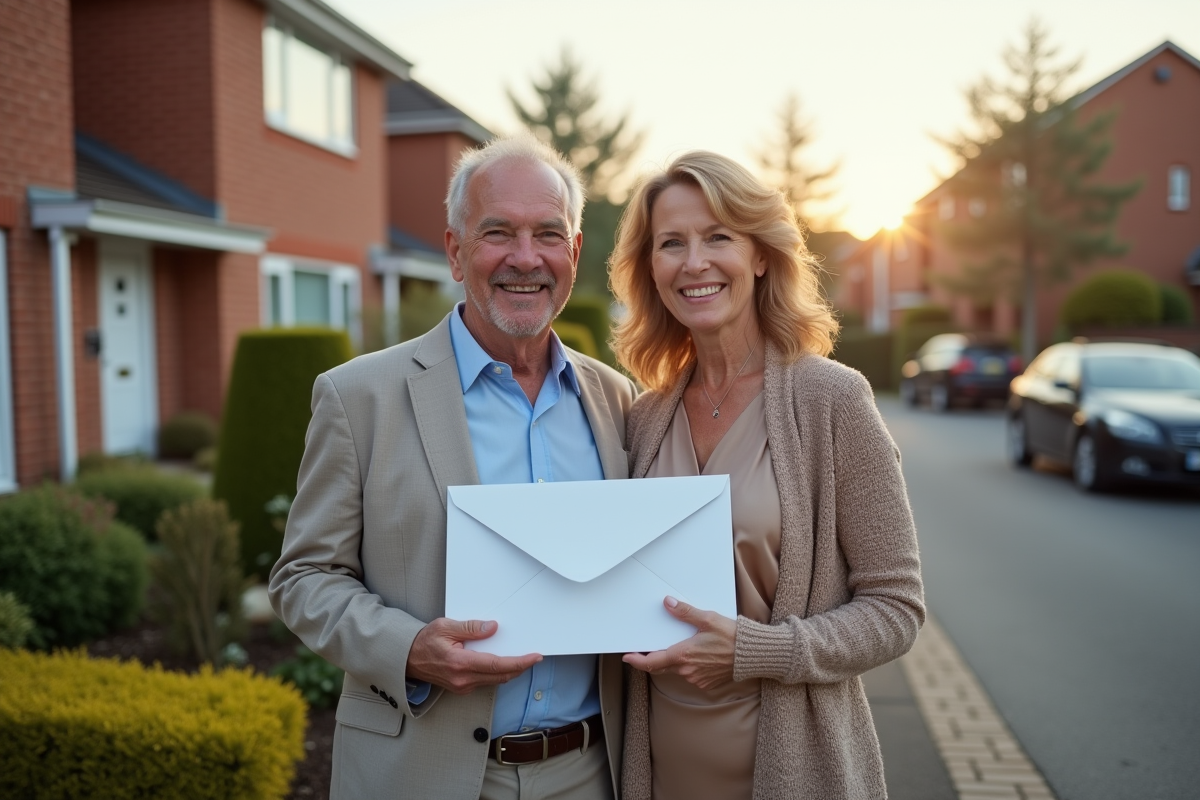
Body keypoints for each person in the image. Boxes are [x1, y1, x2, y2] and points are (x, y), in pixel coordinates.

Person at [269, 136, 636, 800]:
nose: (525, 258)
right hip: (421, 772)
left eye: (548, 235)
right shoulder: (360, 398)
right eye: (498, 232)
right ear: (455, 250)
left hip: (591, 772)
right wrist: (408, 649)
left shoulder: (617, 399)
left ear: (574, 253)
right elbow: (303, 579)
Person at [608, 151, 925, 800]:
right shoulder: (643, 418)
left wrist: (758, 651)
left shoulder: (833, 400)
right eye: (672, 243)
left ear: (759, 255)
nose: (694, 262)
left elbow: (896, 609)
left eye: (717, 236)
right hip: (659, 768)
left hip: (792, 765)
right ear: (651, 270)